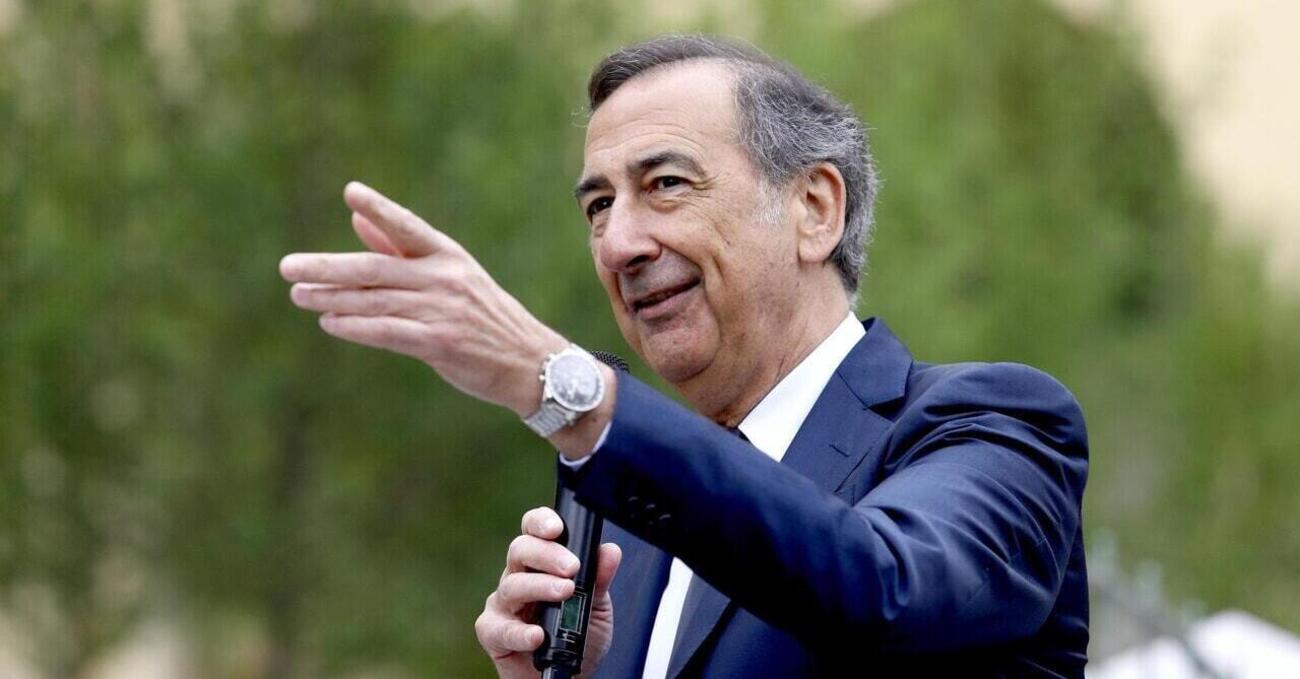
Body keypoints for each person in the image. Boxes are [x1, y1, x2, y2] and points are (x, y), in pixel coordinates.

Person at [280, 35, 1089, 678]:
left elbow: (883, 588)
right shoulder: (627, 532)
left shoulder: (996, 425)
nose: (619, 244)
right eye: (599, 205)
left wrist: (570, 390)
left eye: (665, 184)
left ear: (814, 209)